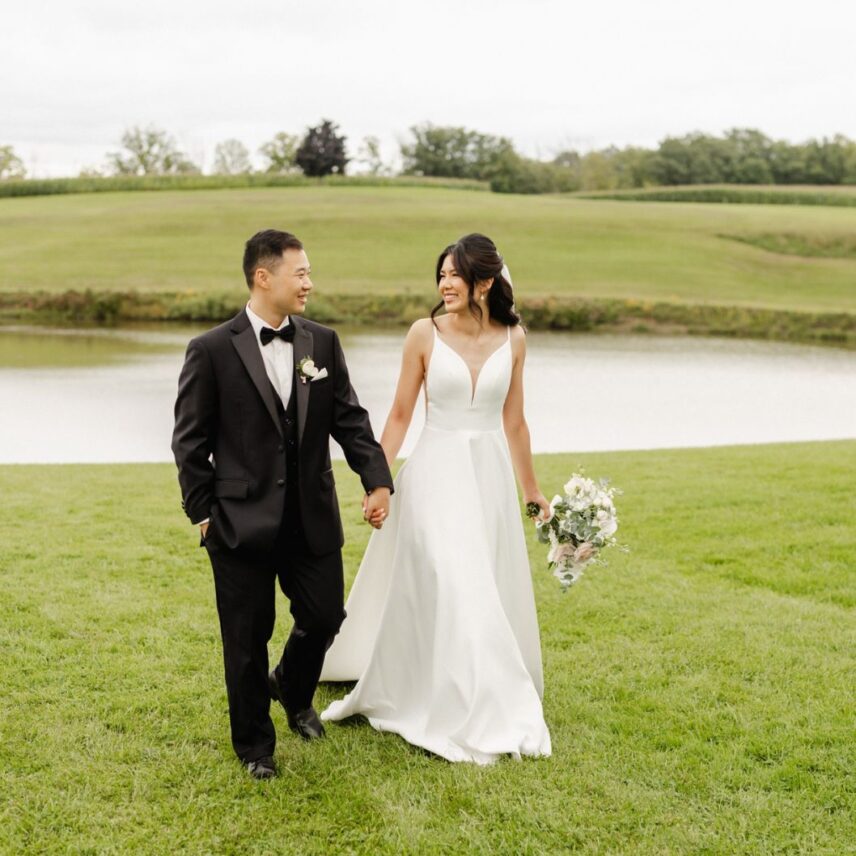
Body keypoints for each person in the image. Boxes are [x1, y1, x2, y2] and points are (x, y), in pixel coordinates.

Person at [320, 233, 552, 764]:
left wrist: (532, 490)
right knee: (451, 576)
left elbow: (515, 422)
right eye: (441, 275)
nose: (445, 284)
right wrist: (377, 479)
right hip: (434, 473)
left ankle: (477, 692)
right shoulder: (423, 334)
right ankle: (448, 697)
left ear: (486, 282)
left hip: (488, 475)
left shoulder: (514, 339)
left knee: (479, 581)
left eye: (456, 274)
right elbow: (400, 413)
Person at [171, 229, 393, 779]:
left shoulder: (323, 342)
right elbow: (189, 441)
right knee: (245, 639)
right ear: (263, 277)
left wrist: (378, 480)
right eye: (301, 273)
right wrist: (203, 516)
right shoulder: (212, 349)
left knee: (324, 615)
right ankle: (255, 748)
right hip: (238, 523)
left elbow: (350, 419)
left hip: (311, 515)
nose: (310, 283)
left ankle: (292, 689)